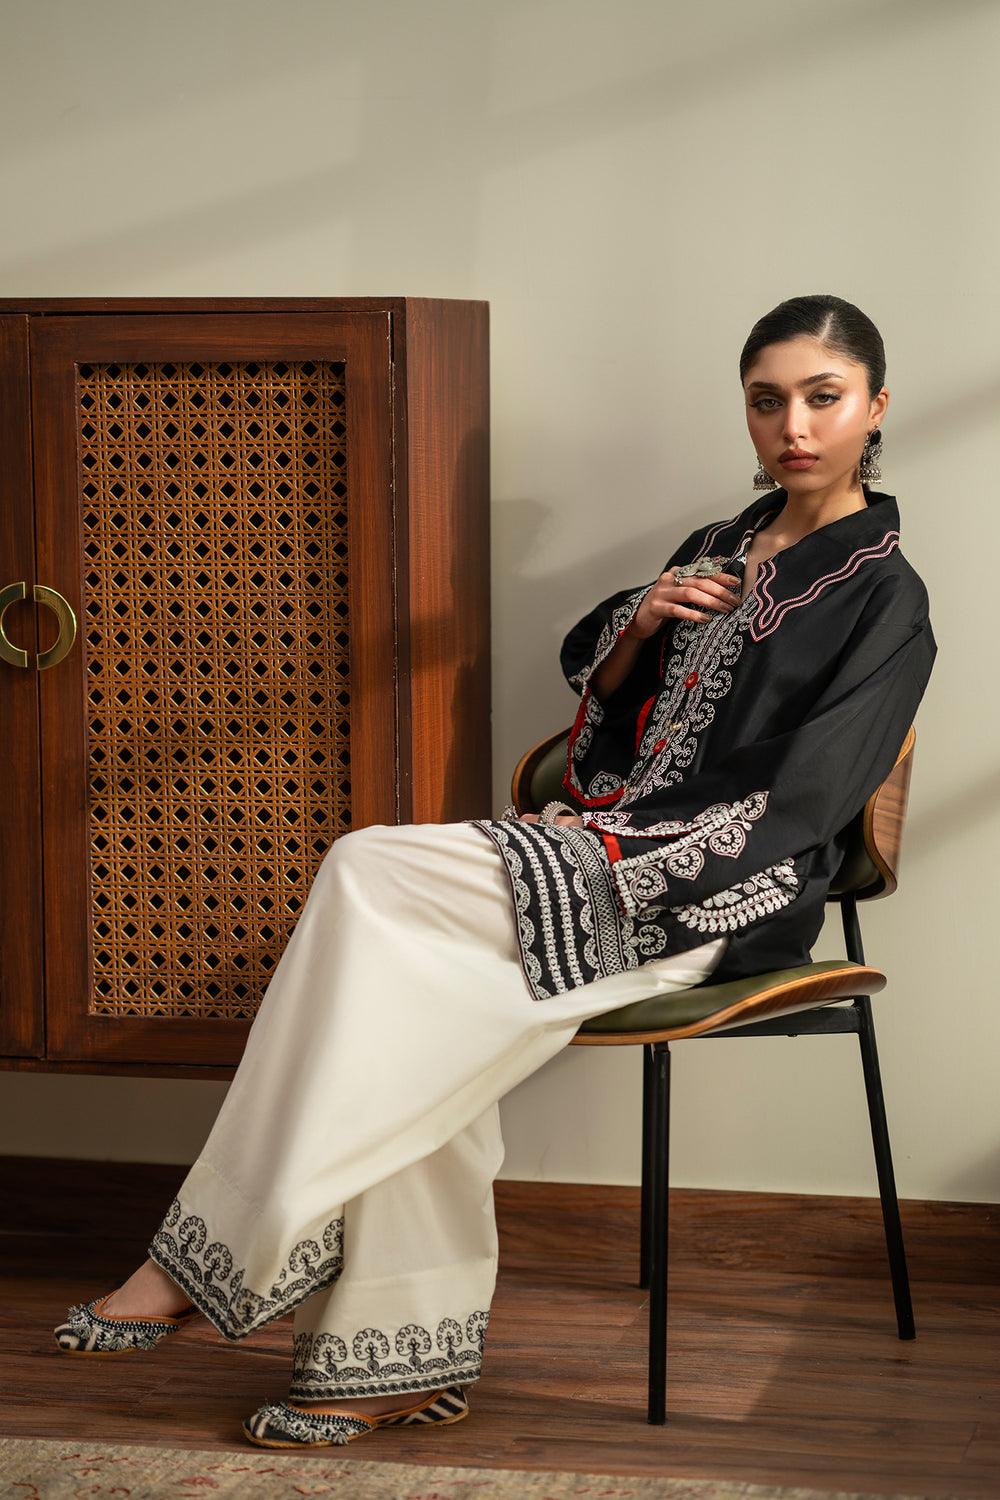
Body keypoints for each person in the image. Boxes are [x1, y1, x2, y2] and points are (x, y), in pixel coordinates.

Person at [54, 295, 935, 1449]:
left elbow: (806, 803)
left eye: (823, 398)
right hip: (595, 845)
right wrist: (641, 621)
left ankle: (208, 1254)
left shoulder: (886, 599)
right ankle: (390, 1364)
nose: (794, 427)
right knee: (402, 1007)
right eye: (767, 401)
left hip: (714, 898)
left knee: (363, 865)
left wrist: (621, 862)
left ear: (875, 405)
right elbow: (603, 687)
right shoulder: (714, 548)